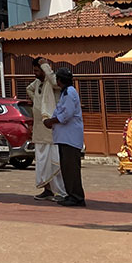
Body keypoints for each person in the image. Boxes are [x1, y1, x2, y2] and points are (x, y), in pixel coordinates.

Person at [43, 67, 86, 207]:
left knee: (71, 168)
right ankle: (71, 194)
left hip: (70, 138)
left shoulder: (69, 93)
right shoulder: (65, 93)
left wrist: (51, 121)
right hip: (64, 137)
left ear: (59, 80)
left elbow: (66, 115)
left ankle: (76, 196)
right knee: (67, 168)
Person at [27, 57, 65, 200]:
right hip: (39, 130)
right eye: (34, 70)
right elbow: (29, 89)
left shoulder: (52, 81)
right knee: (42, 162)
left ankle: (60, 192)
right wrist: (37, 103)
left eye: (37, 70)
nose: (35, 73)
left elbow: (56, 82)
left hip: (51, 131)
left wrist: (46, 66)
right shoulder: (37, 83)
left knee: (54, 162)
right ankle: (47, 190)